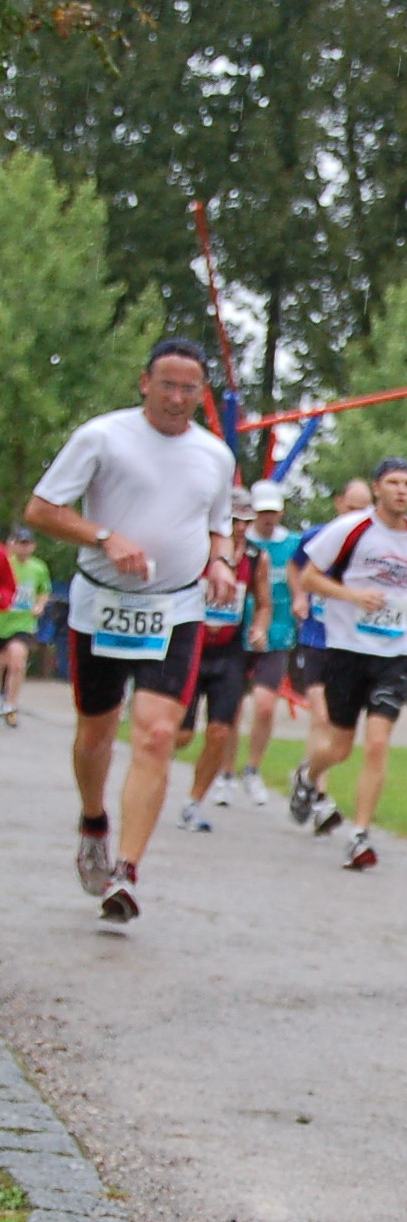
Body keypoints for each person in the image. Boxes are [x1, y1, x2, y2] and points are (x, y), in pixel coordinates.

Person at [25, 336, 234, 922]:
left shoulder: (216, 454)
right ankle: (94, 820)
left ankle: (126, 870)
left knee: (158, 734)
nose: (176, 397)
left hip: (176, 608)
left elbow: (218, 525)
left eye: (188, 388)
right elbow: (41, 511)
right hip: (103, 605)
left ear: (201, 393)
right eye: (166, 384)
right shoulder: (102, 436)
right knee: (96, 733)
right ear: (144, 383)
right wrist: (104, 537)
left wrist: (220, 560)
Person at [290, 458, 407, 868]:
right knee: (337, 748)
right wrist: (355, 597)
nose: (402, 490)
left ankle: (359, 835)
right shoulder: (350, 530)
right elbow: (309, 578)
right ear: (377, 488)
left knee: (376, 743)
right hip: (347, 651)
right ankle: (306, 775)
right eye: (393, 482)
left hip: (394, 653)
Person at [174, 485, 271, 830]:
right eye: (233, 520)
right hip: (192, 648)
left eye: (246, 520)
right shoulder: (198, 551)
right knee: (180, 735)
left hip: (230, 654)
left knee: (219, 731)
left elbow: (263, 604)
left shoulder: (257, 558)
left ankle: (193, 802)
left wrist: (259, 628)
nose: (240, 528)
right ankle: (151, 770)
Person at [286, 476, 374, 828]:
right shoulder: (318, 536)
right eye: (352, 508)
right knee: (321, 717)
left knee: (338, 732)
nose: (357, 516)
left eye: (364, 509)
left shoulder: (372, 545)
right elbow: (296, 566)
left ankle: (306, 777)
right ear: (339, 504)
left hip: (350, 644)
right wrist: (299, 596)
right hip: (317, 638)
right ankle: (320, 797)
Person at [232, 478, 298, 805]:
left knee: (264, 704)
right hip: (237, 632)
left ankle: (253, 769)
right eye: (262, 512)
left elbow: (301, 581)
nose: (268, 518)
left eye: (273, 511)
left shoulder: (293, 545)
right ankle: (225, 772)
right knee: (229, 706)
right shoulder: (241, 543)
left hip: (277, 635)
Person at [0, 525, 52, 726]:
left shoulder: (38, 568)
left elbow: (44, 590)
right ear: (11, 544)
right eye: (20, 543)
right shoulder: (5, 563)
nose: (24, 548)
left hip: (23, 624)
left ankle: (11, 706)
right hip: (3, 620)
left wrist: (39, 605)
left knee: (17, 659)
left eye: (27, 544)